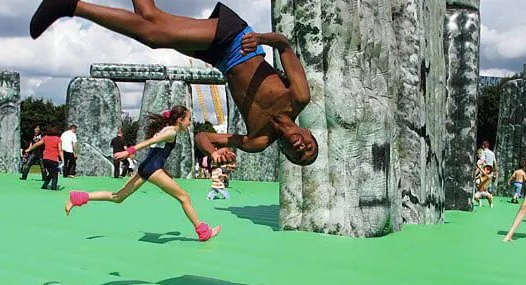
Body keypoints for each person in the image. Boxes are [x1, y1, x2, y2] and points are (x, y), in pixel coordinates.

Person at [30, 0, 317, 166]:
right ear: (307, 133)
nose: (302, 148)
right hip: (237, 40)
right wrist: (262, 38)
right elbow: (284, 44)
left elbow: (202, 137)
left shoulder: (258, 140)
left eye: (300, 156)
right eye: (309, 147)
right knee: (153, 35)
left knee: (150, 17)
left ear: (287, 154)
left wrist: (213, 152)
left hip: (219, 58)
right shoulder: (298, 98)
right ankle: (72, 5)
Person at [64, 105, 221, 241]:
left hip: (147, 168)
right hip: (153, 169)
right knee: (184, 197)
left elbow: (156, 152)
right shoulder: (171, 132)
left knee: (118, 197)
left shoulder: (167, 130)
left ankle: (78, 197)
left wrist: (164, 171)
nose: (190, 122)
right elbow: (150, 143)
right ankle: (203, 232)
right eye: (188, 119)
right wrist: (129, 151)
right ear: (180, 120)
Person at [25, 126, 64, 190]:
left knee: (51, 173)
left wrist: (29, 149)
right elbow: (60, 150)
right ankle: (53, 188)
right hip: (53, 159)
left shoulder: (45, 137)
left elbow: (36, 144)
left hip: (45, 159)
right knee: (55, 175)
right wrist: (62, 160)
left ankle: (44, 186)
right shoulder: (58, 139)